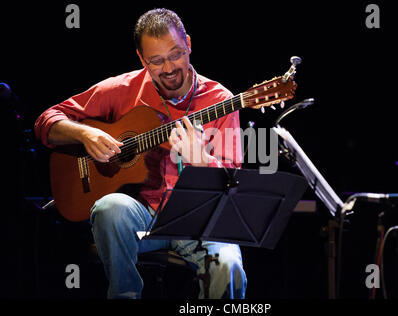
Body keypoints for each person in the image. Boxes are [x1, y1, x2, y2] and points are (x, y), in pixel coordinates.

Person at [34, 8, 247, 299]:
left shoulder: (220, 100)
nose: (169, 68)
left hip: (197, 222)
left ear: (188, 44)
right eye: (156, 61)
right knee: (110, 208)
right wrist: (85, 134)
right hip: (142, 217)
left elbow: (234, 184)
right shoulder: (123, 90)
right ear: (141, 59)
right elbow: (47, 121)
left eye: (176, 55)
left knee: (229, 265)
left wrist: (203, 162)